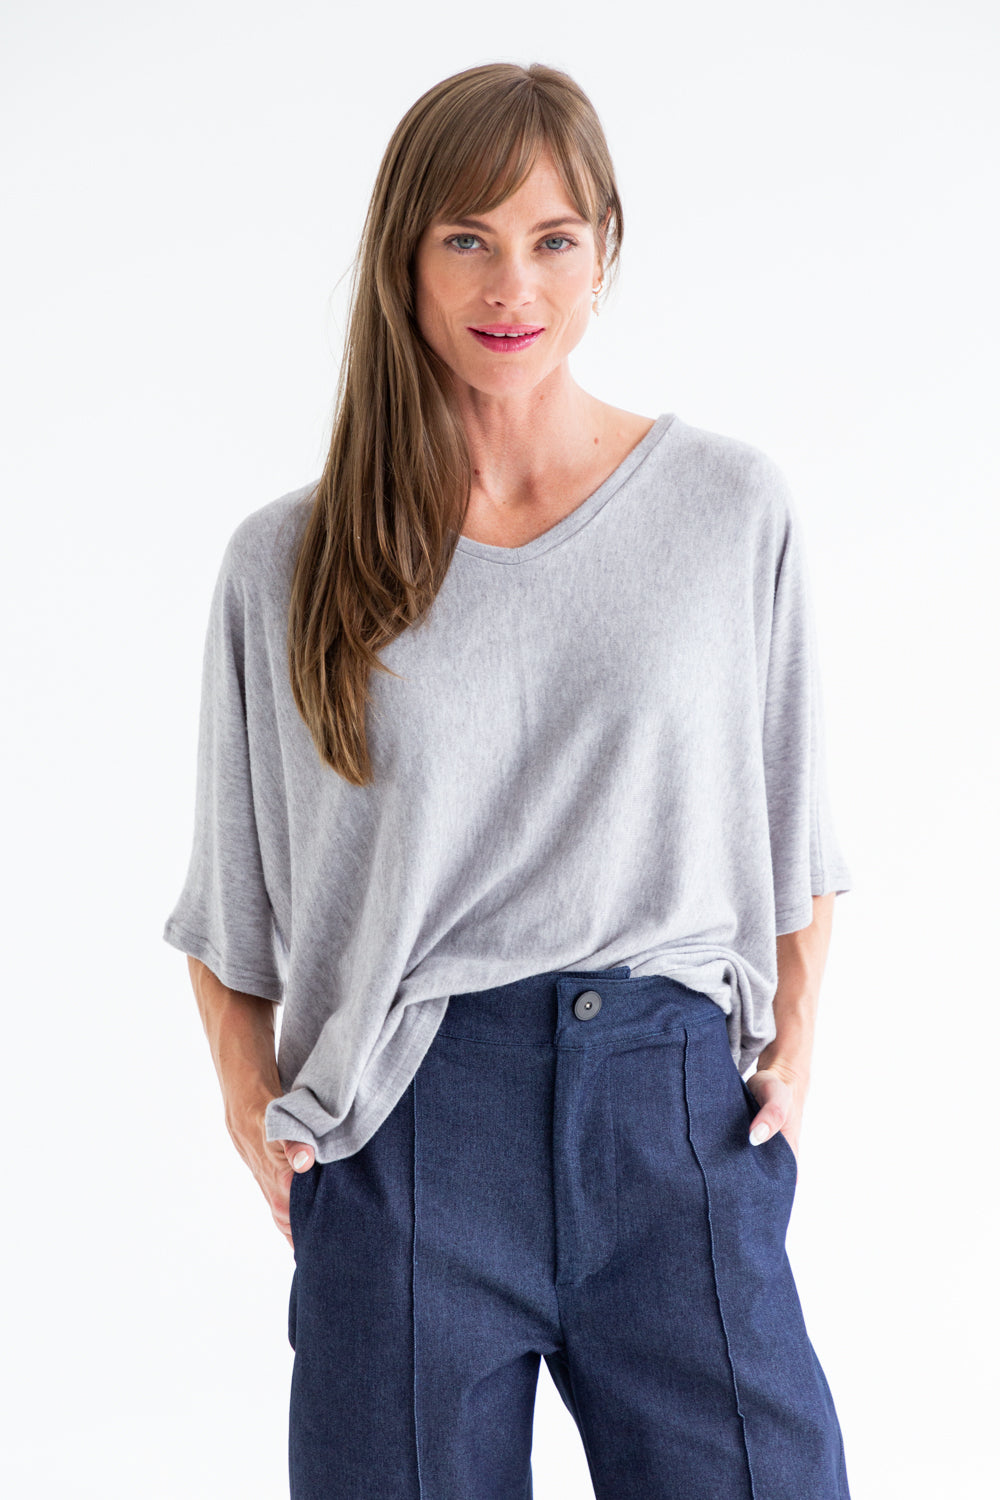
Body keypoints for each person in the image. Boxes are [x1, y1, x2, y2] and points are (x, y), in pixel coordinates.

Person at [163, 59, 854, 1500]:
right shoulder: (286, 565)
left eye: (553, 238)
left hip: (671, 1121)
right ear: (405, 257)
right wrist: (248, 1103)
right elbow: (232, 917)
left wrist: (794, 1041)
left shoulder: (729, 512)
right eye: (467, 238)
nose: (512, 284)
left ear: (606, 251)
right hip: (406, 1135)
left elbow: (799, 832)